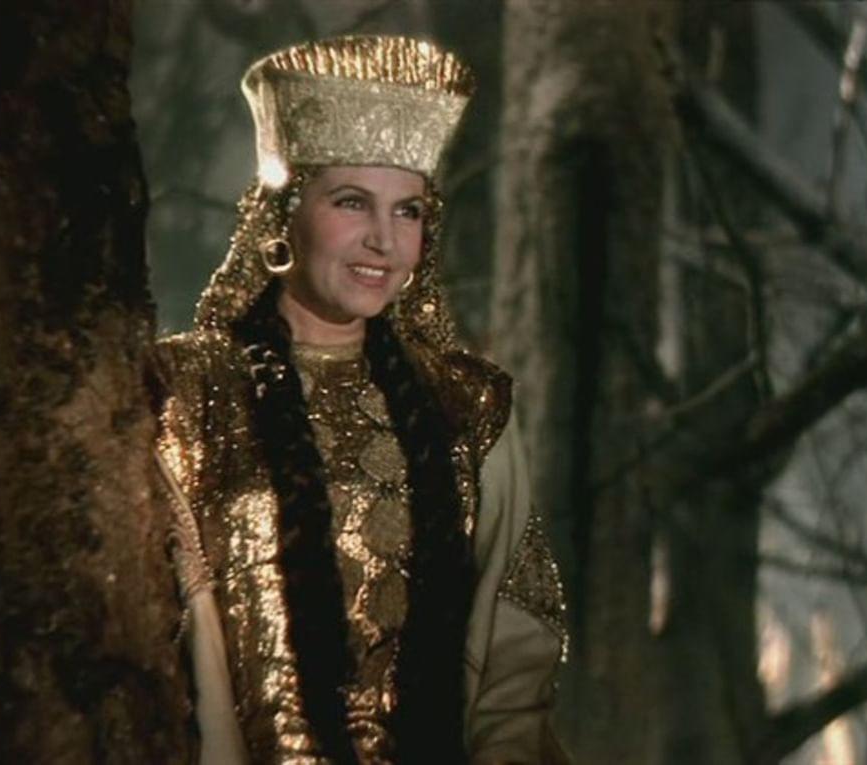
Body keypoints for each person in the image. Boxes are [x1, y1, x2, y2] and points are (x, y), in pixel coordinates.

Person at [153, 35, 567, 765]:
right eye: (352, 203)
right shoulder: (185, 392)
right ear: (282, 213)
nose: (383, 240)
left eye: (407, 211)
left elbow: (513, 662)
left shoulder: (467, 408)